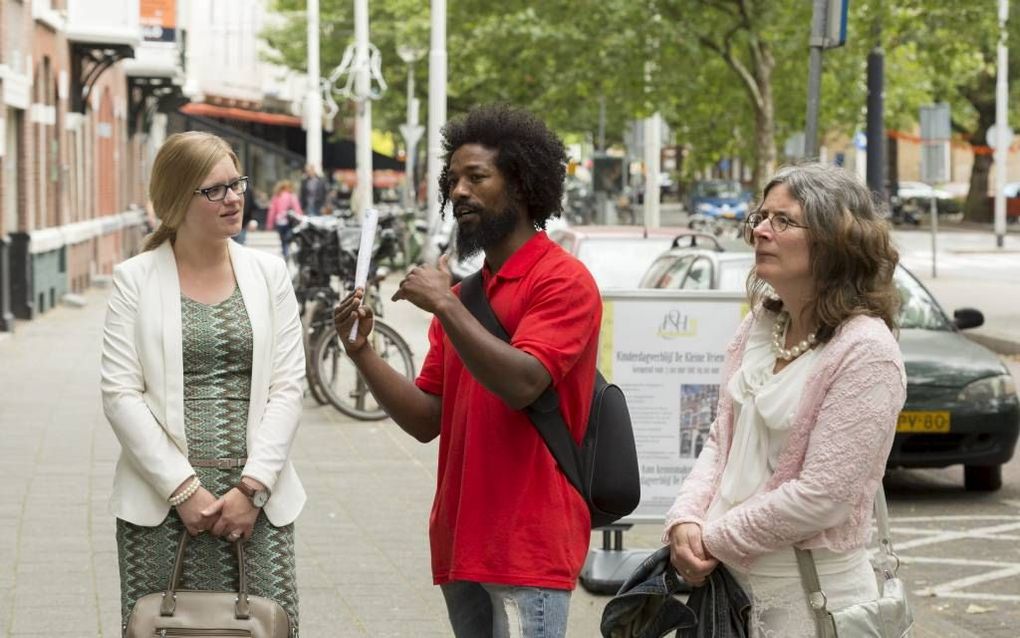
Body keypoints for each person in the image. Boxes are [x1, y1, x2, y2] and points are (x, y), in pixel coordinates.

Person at [332, 104, 602, 638]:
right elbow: (426, 418)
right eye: (452, 180)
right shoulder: (466, 296)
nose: (458, 191)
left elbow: (525, 383)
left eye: (477, 177)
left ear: (522, 185)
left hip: (528, 546)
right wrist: (363, 352)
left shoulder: (562, 282)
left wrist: (445, 308)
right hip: (462, 542)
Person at [664, 163, 906, 637]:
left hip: (813, 605)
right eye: (760, 216)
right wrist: (684, 520)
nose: (758, 230)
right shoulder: (759, 325)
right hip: (727, 592)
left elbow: (823, 497)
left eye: (783, 221)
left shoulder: (866, 351)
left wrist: (711, 538)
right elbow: (721, 442)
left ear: (837, 241)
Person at [101, 131, 306, 635]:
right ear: (176, 198)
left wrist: (252, 488)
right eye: (213, 190)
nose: (233, 197)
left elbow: (288, 386)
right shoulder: (135, 279)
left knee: (265, 624)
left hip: (259, 503)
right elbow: (120, 394)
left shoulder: (269, 273)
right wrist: (184, 491)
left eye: (236, 183)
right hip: (160, 504)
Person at [265, 180, 303, 261]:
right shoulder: (291, 196)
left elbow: (272, 211)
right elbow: (297, 209)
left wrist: (269, 224)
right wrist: (300, 219)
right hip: (289, 221)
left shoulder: (276, 196)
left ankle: (285, 253)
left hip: (279, 222)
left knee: (282, 239)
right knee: (288, 238)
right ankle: (288, 251)